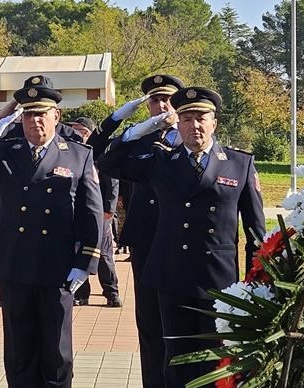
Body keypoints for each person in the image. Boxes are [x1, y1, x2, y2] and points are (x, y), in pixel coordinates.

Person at [98, 87, 266, 387]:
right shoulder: (161, 161)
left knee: (219, 364)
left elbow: (256, 233)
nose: (194, 126)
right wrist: (141, 129)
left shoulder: (239, 164)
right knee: (177, 362)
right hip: (173, 279)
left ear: (214, 122)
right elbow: (107, 161)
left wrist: (256, 284)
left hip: (219, 284)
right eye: (186, 118)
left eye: (201, 117)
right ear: (178, 122)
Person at [0, 75, 103, 388]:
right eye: (27, 113)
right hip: (15, 265)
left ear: (56, 116)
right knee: (19, 352)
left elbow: (91, 213)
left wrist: (86, 262)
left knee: (56, 352)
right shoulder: (6, 151)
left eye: (41, 113)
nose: (34, 120)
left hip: (57, 266)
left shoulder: (78, 154)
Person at [95, 74, 185, 388]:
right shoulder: (139, 140)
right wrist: (125, 126)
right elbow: (98, 156)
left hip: (185, 243)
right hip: (147, 241)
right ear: (147, 106)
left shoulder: (193, 133)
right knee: (150, 324)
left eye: (168, 99)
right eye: (155, 101)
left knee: (186, 322)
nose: (162, 106)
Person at [66, 116, 122, 308]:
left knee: (104, 256)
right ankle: (82, 293)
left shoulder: (99, 154)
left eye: (79, 130)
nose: (75, 133)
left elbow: (113, 183)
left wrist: (108, 210)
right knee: (79, 253)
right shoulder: (72, 153)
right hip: (78, 215)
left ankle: (111, 292)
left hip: (100, 215)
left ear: (88, 133)